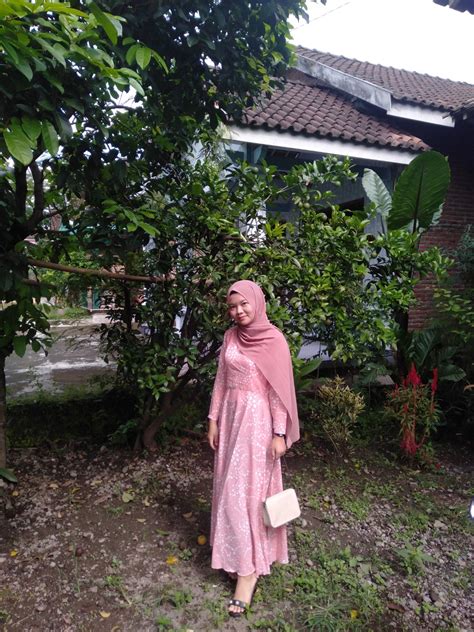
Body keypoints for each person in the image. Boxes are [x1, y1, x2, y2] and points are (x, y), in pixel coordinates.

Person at [207, 279, 299, 617]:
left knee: (245, 496)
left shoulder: (274, 340)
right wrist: (213, 419)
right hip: (231, 422)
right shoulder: (230, 337)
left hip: (257, 424)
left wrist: (279, 433)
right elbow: (221, 380)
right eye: (232, 307)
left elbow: (277, 391)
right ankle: (237, 555)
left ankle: (247, 574)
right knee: (227, 492)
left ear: (257, 303)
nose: (238, 311)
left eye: (243, 304)